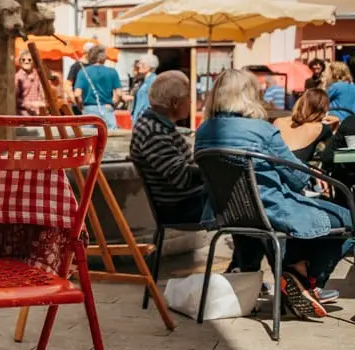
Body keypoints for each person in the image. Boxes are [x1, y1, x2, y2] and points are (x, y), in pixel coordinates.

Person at [195, 69, 351, 319]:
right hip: (271, 211)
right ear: (249, 96)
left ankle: (292, 272)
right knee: (347, 215)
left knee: (305, 217)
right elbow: (298, 178)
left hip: (227, 213)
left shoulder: (204, 132)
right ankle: (303, 276)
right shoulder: (261, 130)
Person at [130, 71, 210, 225]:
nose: (191, 103)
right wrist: (215, 169)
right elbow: (183, 178)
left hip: (185, 202)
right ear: (175, 103)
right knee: (241, 201)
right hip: (179, 208)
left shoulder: (157, 126)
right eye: (188, 98)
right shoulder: (153, 132)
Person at [273, 89, 334, 163]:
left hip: (270, 169)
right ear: (324, 109)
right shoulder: (321, 128)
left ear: (300, 102)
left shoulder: (278, 121)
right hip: (297, 171)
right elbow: (332, 154)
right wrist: (335, 126)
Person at [73, 44, 122, 129]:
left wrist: (80, 106)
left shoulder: (83, 72)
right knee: (112, 138)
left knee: (88, 138)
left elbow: (77, 94)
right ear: (104, 57)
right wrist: (113, 106)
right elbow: (119, 94)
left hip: (89, 110)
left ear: (90, 56)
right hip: (107, 109)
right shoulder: (112, 72)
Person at [65, 41, 97, 107]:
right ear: (86, 53)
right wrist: (75, 100)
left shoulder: (94, 65)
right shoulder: (76, 66)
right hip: (80, 104)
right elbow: (68, 85)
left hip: (93, 103)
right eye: (94, 52)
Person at [130, 54, 159, 123]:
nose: (139, 66)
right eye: (139, 64)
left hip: (145, 119)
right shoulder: (144, 81)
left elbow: (152, 101)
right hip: (139, 118)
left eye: (142, 64)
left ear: (150, 67)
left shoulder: (153, 80)